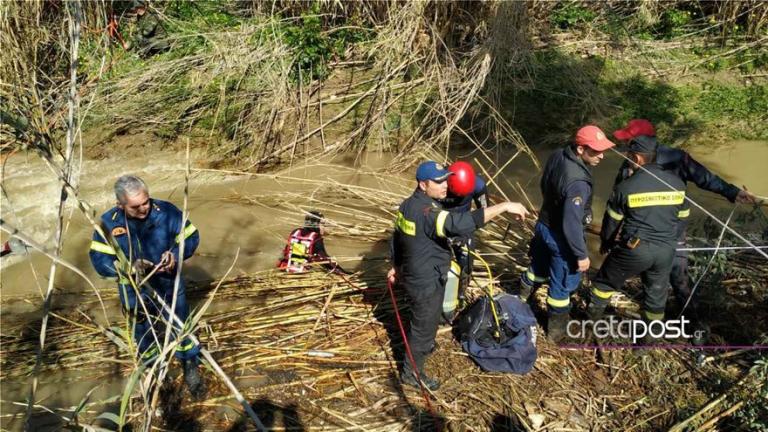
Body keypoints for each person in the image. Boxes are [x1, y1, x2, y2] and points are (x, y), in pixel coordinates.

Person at [612, 119, 756, 343]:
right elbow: (618, 195)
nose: (625, 146)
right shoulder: (630, 161)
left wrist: (733, 192)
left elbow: (705, 178)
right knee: (647, 276)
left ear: (643, 142)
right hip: (640, 231)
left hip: (672, 229)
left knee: (679, 277)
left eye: (629, 140)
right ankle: (651, 325)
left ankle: (695, 324)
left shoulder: (676, 159)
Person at [388, 161, 529, 390]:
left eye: (446, 179)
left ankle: (423, 345)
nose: (446, 185)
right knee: (422, 327)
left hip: (418, 273)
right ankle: (411, 374)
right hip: (425, 280)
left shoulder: (407, 205)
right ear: (423, 185)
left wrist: (395, 265)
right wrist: (504, 206)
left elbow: (396, 238)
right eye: (439, 181)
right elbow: (463, 222)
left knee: (428, 319)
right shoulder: (429, 213)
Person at [89, 175, 204, 397]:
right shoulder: (108, 224)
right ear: (120, 205)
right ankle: (156, 374)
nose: (144, 209)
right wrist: (127, 268)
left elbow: (191, 236)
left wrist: (175, 254)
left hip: (168, 282)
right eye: (135, 207)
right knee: (143, 333)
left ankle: (190, 366)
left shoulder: (167, 211)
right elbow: (99, 261)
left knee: (180, 325)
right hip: (134, 291)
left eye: (146, 202)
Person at [518, 125, 615, 343]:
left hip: (543, 225)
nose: (602, 155)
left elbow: (545, 184)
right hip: (561, 239)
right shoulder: (578, 183)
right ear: (580, 149)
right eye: (596, 151)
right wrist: (581, 254)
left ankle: (521, 301)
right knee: (562, 286)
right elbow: (571, 223)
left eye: (602, 150)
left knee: (537, 269)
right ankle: (556, 334)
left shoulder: (558, 154)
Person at [588, 137, 687, 344]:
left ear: (637, 158)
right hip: (666, 250)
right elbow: (683, 218)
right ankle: (645, 344)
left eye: (629, 157)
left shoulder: (626, 187)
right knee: (656, 296)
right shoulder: (677, 184)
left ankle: (591, 324)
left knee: (603, 283)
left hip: (635, 249)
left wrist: (606, 243)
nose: (628, 160)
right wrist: (671, 240)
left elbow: (611, 222)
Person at [441, 161, 488, 304]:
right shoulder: (438, 183)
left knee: (466, 262)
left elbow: (484, 212)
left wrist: (469, 229)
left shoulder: (478, 185)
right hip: (441, 224)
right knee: (440, 264)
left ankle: (461, 293)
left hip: (463, 227)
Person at [278, 210, 348, 274]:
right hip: (301, 274)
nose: (324, 227)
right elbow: (324, 260)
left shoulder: (295, 232)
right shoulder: (315, 238)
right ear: (316, 225)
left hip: (284, 270)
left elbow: (286, 252)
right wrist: (343, 272)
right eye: (322, 224)